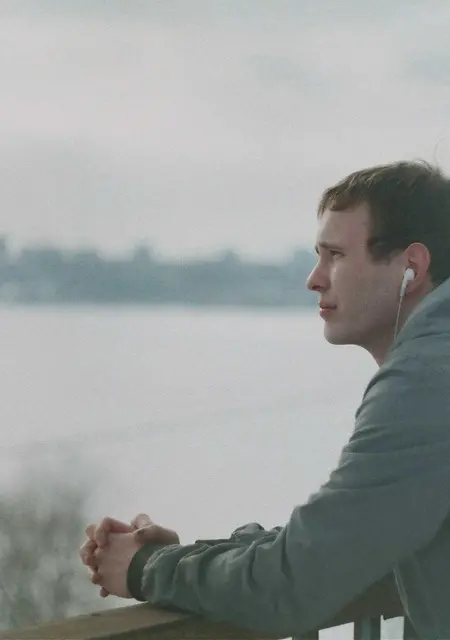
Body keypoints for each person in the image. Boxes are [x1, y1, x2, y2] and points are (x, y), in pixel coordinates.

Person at [80, 160, 450, 639]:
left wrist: (144, 568)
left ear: (411, 267)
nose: (314, 279)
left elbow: (294, 584)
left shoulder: (423, 384)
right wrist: (184, 558)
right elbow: (350, 542)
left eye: (335, 255)